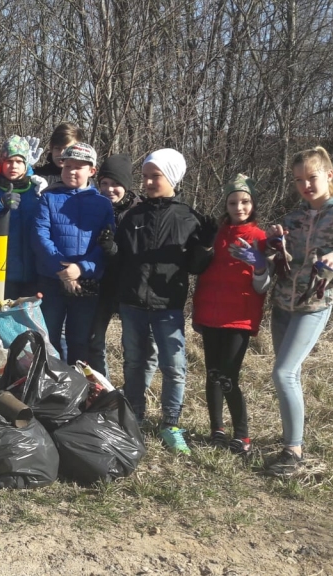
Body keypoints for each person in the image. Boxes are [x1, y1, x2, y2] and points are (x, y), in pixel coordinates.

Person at [263, 147, 333, 476]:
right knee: (287, 374)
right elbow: (281, 261)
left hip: (314, 305)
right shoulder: (293, 218)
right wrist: (273, 244)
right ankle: (290, 436)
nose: (305, 185)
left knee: (283, 373)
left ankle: (293, 451)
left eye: (312, 177)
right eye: (298, 180)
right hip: (282, 303)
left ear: (329, 175)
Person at [114, 148, 218, 454]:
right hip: (132, 302)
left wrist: (206, 245)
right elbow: (118, 258)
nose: (147, 182)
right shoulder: (132, 216)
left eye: (155, 176)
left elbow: (196, 267)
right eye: (145, 176)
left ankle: (171, 423)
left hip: (168, 306)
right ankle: (134, 416)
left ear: (171, 177)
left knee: (174, 366)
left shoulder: (188, 218)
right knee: (134, 362)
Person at [192, 174, 270, 456]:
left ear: (253, 204)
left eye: (245, 201)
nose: (239, 207)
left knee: (228, 377)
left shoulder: (260, 238)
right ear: (225, 205)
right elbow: (201, 269)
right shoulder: (216, 235)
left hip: (239, 317)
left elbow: (263, 286)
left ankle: (242, 434)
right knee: (212, 374)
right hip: (210, 313)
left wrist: (259, 265)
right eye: (233, 202)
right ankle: (217, 429)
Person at [32, 143, 114, 363]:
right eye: (68, 166)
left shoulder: (103, 204)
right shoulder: (48, 198)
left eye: (79, 167)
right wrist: (63, 271)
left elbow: (105, 244)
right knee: (48, 338)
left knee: (79, 341)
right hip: (51, 280)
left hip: (86, 283)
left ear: (92, 171)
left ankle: (78, 381)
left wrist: (80, 269)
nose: (72, 171)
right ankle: (50, 380)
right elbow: (40, 237)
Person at [89, 153, 156, 381]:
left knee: (136, 348)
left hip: (130, 287)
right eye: (104, 183)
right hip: (100, 285)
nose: (109, 189)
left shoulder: (139, 212)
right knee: (94, 341)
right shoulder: (94, 207)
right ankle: (103, 388)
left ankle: (134, 392)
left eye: (116, 184)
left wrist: (113, 247)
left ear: (126, 186)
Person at [0, 136, 46, 301]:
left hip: (34, 272)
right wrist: (0, 206)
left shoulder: (37, 190)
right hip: (3, 273)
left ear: (26, 164)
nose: (14, 166)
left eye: (19, 161)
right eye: (9, 161)